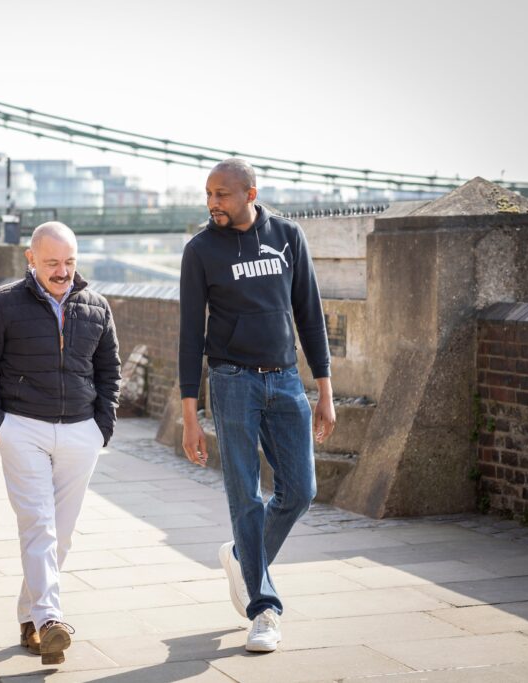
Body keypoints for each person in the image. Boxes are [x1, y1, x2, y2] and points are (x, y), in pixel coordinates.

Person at [178, 158, 336, 653]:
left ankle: (244, 556)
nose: (212, 204)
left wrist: (325, 390)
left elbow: (309, 315)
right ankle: (264, 608)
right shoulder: (200, 250)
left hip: (286, 380)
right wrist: (190, 413)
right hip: (231, 382)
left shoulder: (288, 236)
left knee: (301, 490)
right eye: (208, 194)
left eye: (222, 195)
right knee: (243, 495)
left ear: (250, 193)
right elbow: (189, 335)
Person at [0, 221, 120, 666]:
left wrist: (100, 428)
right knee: (38, 523)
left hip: (80, 432)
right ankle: (51, 619)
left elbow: (110, 371)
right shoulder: (4, 303)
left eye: (69, 262)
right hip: (23, 428)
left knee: (61, 534)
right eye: (52, 262)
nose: (62, 271)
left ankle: (29, 620)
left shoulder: (96, 306)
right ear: (30, 259)